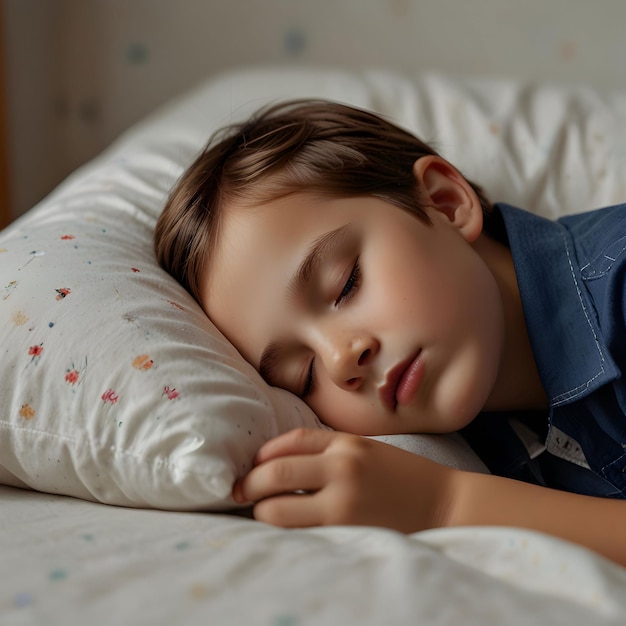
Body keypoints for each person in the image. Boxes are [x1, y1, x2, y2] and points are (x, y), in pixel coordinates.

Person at [154, 100, 626, 566]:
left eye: (346, 284)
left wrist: (444, 504)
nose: (341, 360)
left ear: (445, 203)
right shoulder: (475, 435)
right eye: (304, 376)